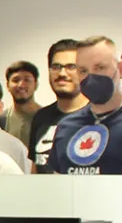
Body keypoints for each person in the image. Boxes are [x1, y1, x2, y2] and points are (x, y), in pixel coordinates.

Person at [44, 36, 122, 176]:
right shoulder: (66, 126)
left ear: (121, 69)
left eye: (100, 68)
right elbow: (58, 187)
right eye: (83, 71)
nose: (91, 77)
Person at [28, 39, 83, 170]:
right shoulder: (41, 117)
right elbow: (35, 168)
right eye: (56, 67)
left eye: (71, 67)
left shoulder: (97, 116)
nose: (62, 73)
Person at [2, 60, 39, 146]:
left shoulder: (48, 118)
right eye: (16, 80)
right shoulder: (1, 120)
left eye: (27, 80)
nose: (21, 85)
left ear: (36, 85)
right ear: (7, 85)